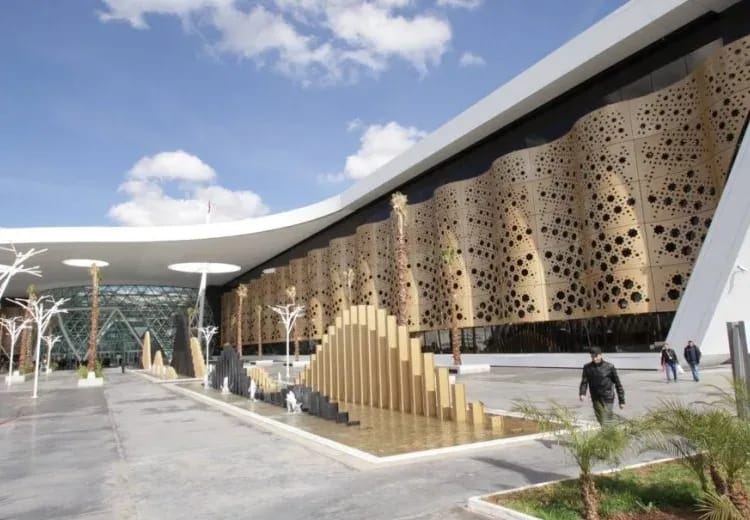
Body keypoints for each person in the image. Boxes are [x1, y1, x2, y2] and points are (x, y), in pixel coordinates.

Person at [579, 346, 625, 425]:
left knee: (606, 420)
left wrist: (622, 401)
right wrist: (582, 393)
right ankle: (610, 430)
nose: (594, 359)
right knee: (600, 419)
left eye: (596, 356)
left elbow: (618, 384)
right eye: (592, 357)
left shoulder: (609, 367)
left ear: (600, 355)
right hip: (595, 398)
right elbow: (584, 382)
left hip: (608, 397)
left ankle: (609, 431)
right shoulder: (587, 367)